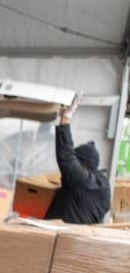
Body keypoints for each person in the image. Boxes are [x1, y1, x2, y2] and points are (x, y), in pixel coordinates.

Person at [45, 94, 111, 224]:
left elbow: (67, 156)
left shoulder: (81, 181)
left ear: (84, 165)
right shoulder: (104, 188)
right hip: (77, 240)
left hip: (60, 237)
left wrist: (66, 119)